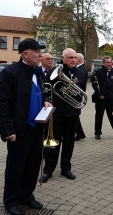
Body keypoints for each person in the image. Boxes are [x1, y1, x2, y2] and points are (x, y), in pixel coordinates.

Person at [0, 38, 52, 215]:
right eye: (37, 51)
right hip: (19, 130)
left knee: (33, 164)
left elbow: (45, 92)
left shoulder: (38, 72)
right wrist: (7, 129)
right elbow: (2, 103)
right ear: (25, 54)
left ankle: (26, 195)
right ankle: (11, 201)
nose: (40, 55)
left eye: (40, 51)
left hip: (36, 128)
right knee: (16, 166)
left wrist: (46, 101)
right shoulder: (10, 72)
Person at [41, 48, 86, 183]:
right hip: (57, 113)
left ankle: (66, 168)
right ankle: (48, 170)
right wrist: (46, 100)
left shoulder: (81, 73)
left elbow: (81, 92)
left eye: (75, 58)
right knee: (53, 143)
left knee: (69, 143)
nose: (73, 60)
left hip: (72, 114)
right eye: (70, 57)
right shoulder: (53, 72)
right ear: (63, 58)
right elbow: (46, 89)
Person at [91, 56, 113, 140]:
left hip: (110, 99)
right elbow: (94, 84)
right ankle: (97, 133)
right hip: (100, 98)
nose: (109, 64)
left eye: (110, 62)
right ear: (103, 63)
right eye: (107, 62)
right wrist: (99, 94)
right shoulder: (98, 72)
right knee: (99, 116)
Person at [75, 53, 88, 140]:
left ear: (78, 60)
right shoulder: (82, 68)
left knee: (75, 115)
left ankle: (80, 133)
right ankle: (80, 133)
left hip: (77, 95)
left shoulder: (81, 69)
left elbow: (82, 84)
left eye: (75, 58)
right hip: (78, 94)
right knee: (75, 115)